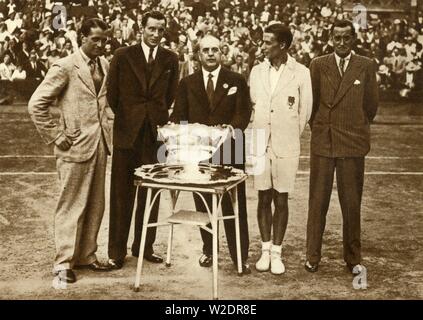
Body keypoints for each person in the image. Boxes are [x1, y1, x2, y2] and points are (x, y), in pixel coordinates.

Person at [28, 18, 113, 284]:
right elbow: (36, 104)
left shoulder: (105, 64)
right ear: (81, 37)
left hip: (99, 144)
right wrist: (56, 135)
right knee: (70, 205)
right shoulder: (64, 66)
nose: (100, 44)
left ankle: (86, 255)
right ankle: (63, 263)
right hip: (73, 146)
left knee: (96, 205)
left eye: (103, 39)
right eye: (95, 39)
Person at [170, 35, 252, 274]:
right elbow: (180, 115)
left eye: (215, 49)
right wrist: (180, 131)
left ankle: (240, 256)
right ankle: (209, 250)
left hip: (230, 151)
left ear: (222, 53)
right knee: (203, 206)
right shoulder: (187, 82)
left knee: (235, 207)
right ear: (198, 54)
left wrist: (229, 130)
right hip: (198, 155)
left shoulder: (236, 80)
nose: (211, 54)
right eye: (205, 50)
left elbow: (243, 112)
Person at [106, 10, 179, 270]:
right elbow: (112, 96)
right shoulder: (122, 56)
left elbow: (169, 97)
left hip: (155, 135)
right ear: (141, 28)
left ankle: (144, 247)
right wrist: (131, 118)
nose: (155, 34)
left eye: (160, 30)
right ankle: (116, 252)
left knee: (151, 193)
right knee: (121, 194)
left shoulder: (171, 59)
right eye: (151, 29)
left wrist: (151, 118)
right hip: (127, 134)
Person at [305, 19, 379, 274]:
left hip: (352, 144)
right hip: (323, 142)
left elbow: (371, 106)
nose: (342, 42)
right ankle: (312, 256)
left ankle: (353, 258)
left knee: (351, 203)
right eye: (337, 37)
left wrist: (354, 127)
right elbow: (311, 105)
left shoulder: (366, 66)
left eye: (347, 37)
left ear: (354, 39)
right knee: (317, 201)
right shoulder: (318, 64)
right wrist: (323, 127)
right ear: (331, 38)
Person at [249, 24, 312, 275]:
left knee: (281, 198)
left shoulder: (302, 73)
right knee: (263, 197)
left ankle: (277, 251)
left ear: (282, 45)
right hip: (260, 142)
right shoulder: (256, 71)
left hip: (286, 144)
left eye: (267, 42)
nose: (262, 46)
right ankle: (265, 250)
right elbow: (254, 104)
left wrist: (286, 137)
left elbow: (304, 112)